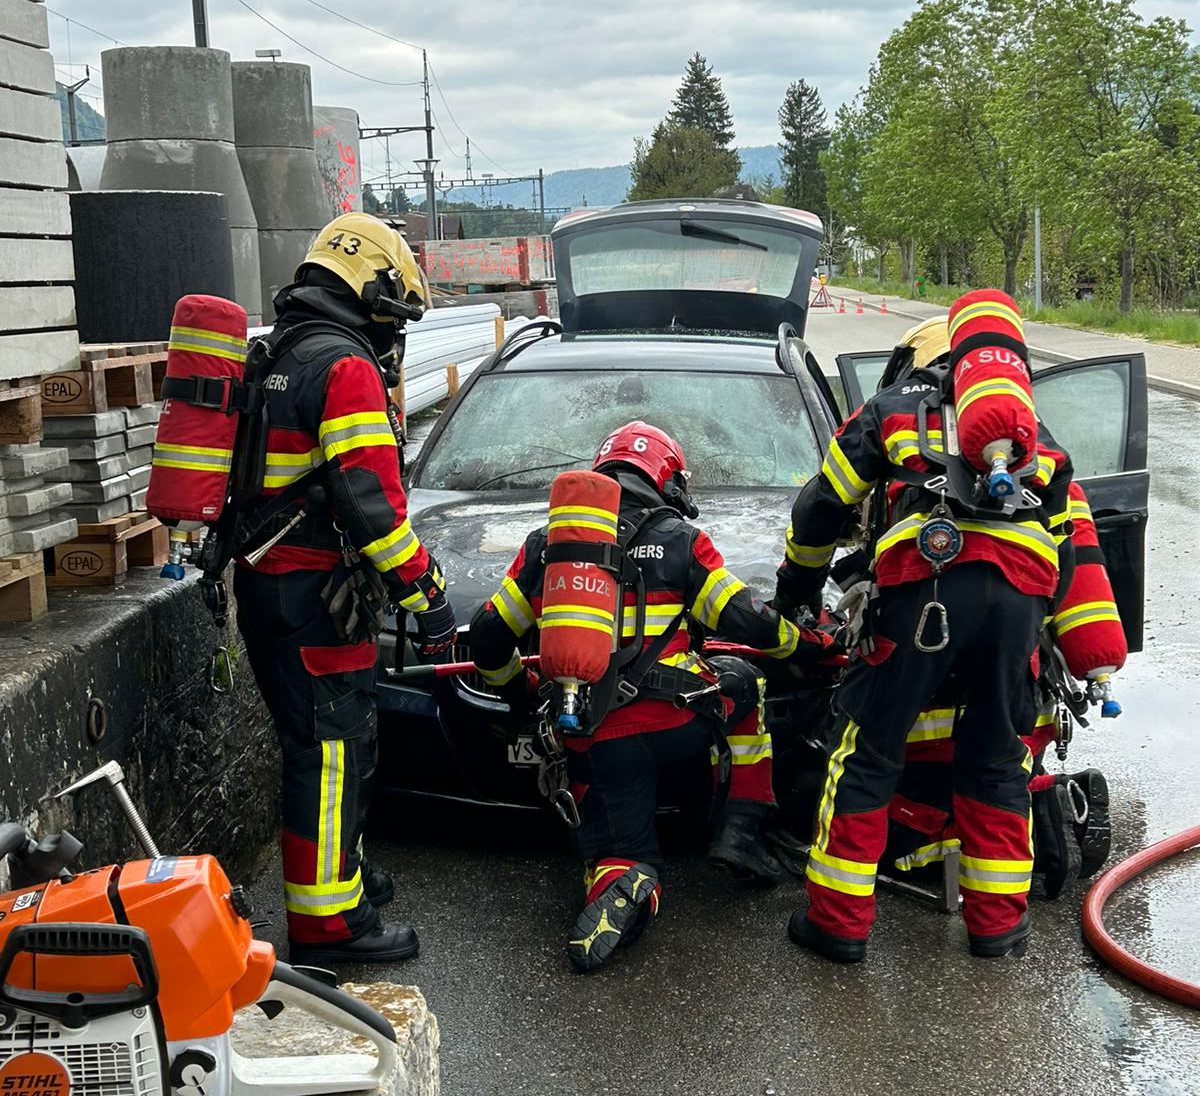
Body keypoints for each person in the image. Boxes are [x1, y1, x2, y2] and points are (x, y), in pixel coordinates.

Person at [469, 420, 835, 972]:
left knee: (618, 853)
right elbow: (745, 620)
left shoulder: (550, 546)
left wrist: (518, 690)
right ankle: (741, 828)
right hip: (677, 721)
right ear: (667, 481)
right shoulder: (682, 542)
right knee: (744, 682)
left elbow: (488, 638)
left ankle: (625, 882)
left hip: (591, 736)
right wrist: (810, 644)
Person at [774, 296, 1074, 962]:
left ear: (913, 360)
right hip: (1021, 597)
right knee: (998, 760)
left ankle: (837, 925)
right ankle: (997, 930)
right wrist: (1036, 631)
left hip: (925, 584)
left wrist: (796, 589)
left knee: (868, 751)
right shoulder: (1034, 430)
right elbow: (1070, 545)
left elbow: (823, 506)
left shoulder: (892, 408)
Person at [233, 213, 456, 965]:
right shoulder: (346, 366)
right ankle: (330, 923)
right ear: (373, 289)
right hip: (315, 598)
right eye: (394, 312)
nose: (394, 332)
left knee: (322, 746)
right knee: (331, 754)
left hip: (266, 587)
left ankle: (343, 876)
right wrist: (427, 594)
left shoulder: (277, 352)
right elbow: (371, 505)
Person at [885, 477, 1125, 896]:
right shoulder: (1053, 482)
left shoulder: (909, 482)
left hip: (927, 723)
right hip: (1021, 702)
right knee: (1003, 782)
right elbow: (1075, 597)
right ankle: (1049, 805)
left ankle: (1035, 828)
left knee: (898, 812)